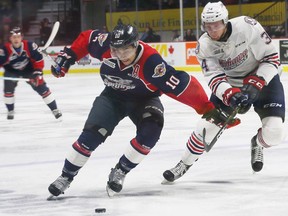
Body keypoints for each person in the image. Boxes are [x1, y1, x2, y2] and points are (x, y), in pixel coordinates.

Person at [47, 23, 238, 197]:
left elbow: (182, 86)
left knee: (151, 132)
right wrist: (67, 57)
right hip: (113, 97)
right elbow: (87, 38)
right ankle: (66, 176)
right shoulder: (105, 45)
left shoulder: (152, 64)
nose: (120, 55)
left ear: (136, 44)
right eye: (116, 50)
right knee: (91, 136)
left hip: (144, 99)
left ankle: (121, 170)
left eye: (125, 50)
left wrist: (208, 109)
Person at [162, 1, 285, 183]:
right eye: (207, 26)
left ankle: (257, 143)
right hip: (230, 84)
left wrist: (254, 85)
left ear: (225, 21)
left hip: (263, 79)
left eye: (217, 25)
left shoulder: (246, 26)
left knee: (275, 133)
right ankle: (184, 163)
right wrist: (231, 94)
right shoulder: (203, 45)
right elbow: (214, 77)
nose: (212, 30)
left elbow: (272, 58)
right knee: (206, 128)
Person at [1, 26, 62, 120]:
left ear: (21, 37)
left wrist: (38, 73)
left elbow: (39, 60)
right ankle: (10, 110)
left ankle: (55, 109)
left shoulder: (30, 45)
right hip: (12, 71)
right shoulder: (4, 49)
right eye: (14, 37)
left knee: (42, 87)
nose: (16, 39)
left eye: (18, 36)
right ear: (10, 38)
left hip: (29, 70)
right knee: (8, 89)